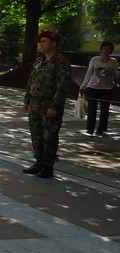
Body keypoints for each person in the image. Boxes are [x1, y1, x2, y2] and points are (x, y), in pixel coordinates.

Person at [23, 30, 71, 179]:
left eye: (44, 41)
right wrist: (27, 100)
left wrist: (54, 107)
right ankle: (38, 162)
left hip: (49, 105)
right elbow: (31, 82)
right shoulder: (39, 63)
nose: (41, 44)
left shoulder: (61, 63)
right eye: (41, 41)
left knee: (49, 136)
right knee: (36, 135)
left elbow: (62, 87)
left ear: (53, 43)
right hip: (35, 104)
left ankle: (48, 166)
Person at [80, 41, 118, 136]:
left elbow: (115, 74)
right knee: (92, 108)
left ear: (110, 51)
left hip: (106, 88)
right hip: (93, 87)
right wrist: (83, 86)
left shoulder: (113, 62)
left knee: (104, 109)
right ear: (101, 49)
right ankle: (90, 128)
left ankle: (101, 128)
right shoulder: (94, 59)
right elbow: (89, 73)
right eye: (104, 48)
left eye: (108, 49)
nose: (105, 51)